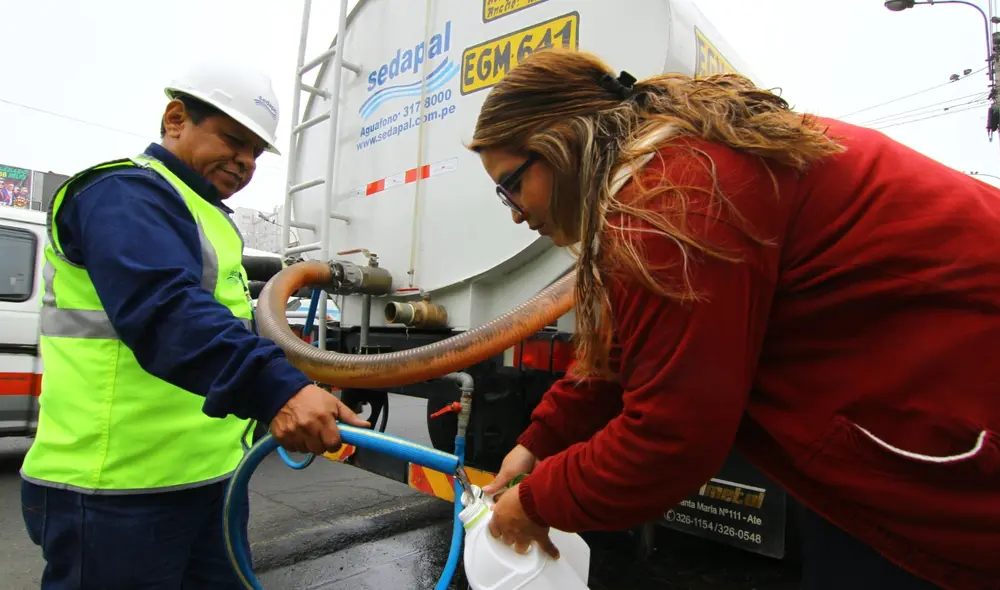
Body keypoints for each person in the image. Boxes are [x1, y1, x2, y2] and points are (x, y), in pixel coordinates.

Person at [469, 48, 1000, 590]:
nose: (515, 213)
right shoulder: (678, 165)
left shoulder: (674, 200)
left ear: (560, 143)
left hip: (961, 410)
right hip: (901, 418)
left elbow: (671, 438)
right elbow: (622, 351)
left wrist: (535, 502)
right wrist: (539, 443)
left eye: (512, 185)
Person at [20, 61, 369, 589]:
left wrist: (295, 381)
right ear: (176, 119)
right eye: (234, 140)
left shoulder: (207, 216)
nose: (246, 161)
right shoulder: (122, 194)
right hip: (114, 489)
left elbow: (226, 323)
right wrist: (277, 391)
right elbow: (167, 312)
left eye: (257, 152)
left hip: (209, 481)